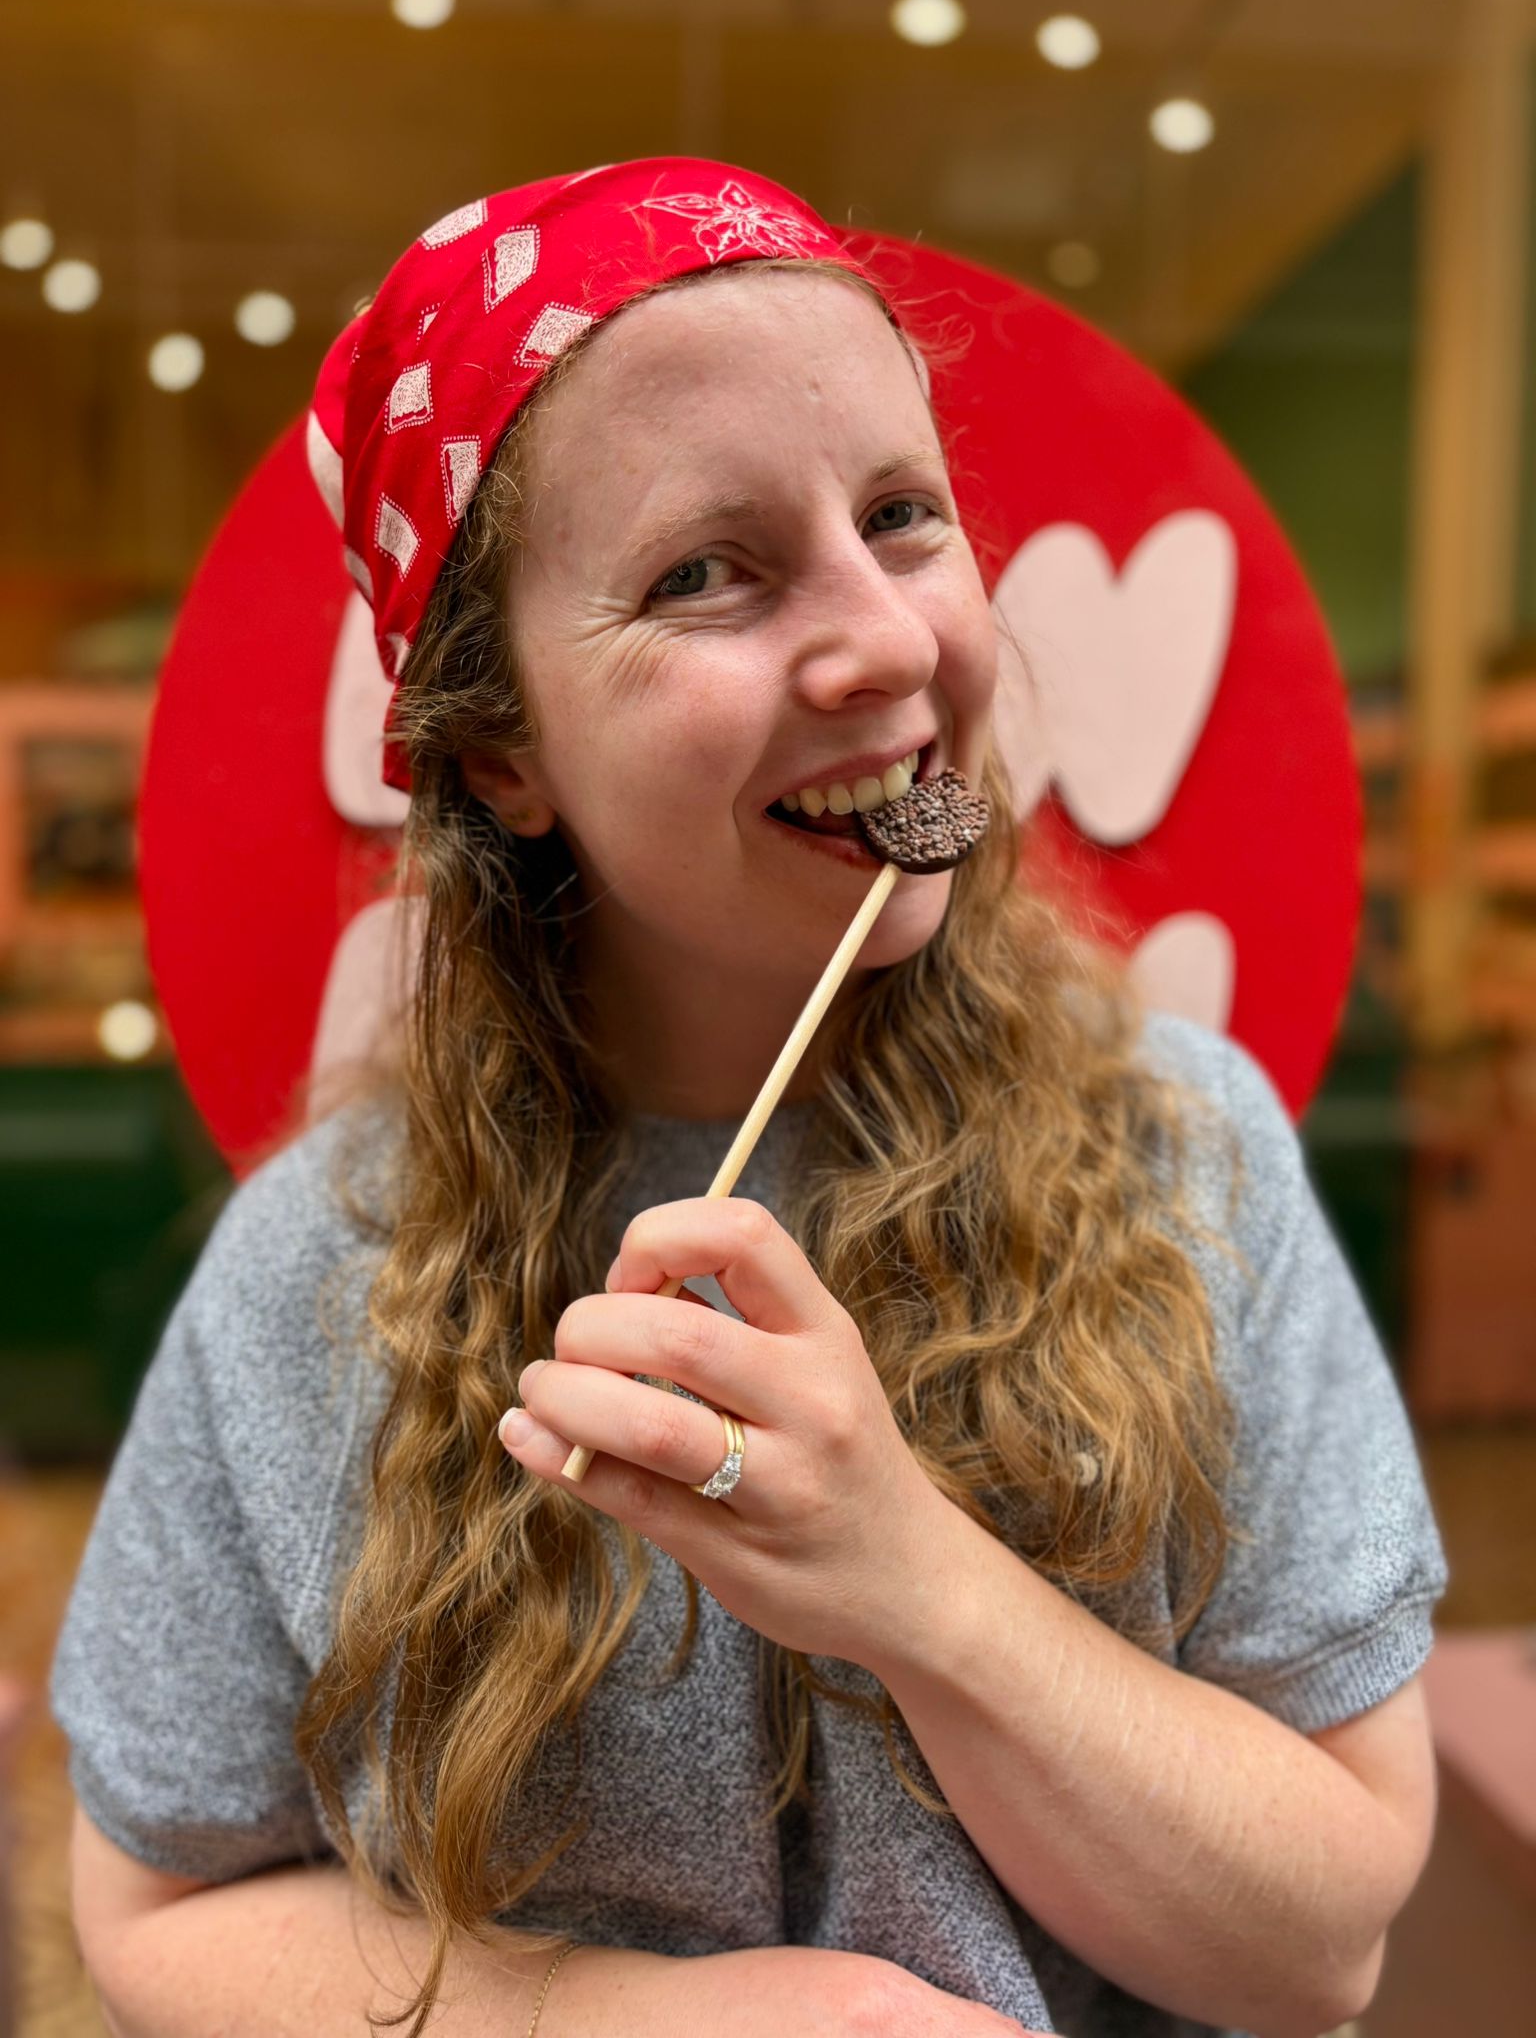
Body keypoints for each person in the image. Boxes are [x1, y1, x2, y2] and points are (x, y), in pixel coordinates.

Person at [52, 160, 1447, 2038]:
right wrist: (627, 2021)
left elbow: (1325, 1948)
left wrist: (912, 1582)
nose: (892, 642)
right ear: (501, 749)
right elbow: (156, 1905)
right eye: (704, 570)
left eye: (901, 515)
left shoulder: (1184, 1154)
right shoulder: (325, 1264)